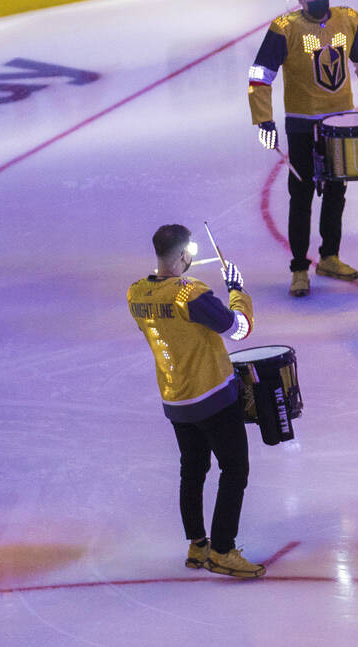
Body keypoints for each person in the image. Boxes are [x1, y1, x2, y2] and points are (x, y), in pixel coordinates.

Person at [126, 225, 264, 578]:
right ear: (185, 255)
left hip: (176, 399)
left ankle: (197, 544)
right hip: (214, 397)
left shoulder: (136, 294)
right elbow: (239, 329)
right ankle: (222, 549)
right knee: (234, 469)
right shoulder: (190, 294)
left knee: (193, 469)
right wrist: (237, 290)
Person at [248, 0, 358, 298]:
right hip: (302, 126)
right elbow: (259, 76)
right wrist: (263, 121)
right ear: (300, 1)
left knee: (336, 192)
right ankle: (299, 269)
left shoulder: (349, 20)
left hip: (339, 123)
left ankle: (330, 257)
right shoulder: (284, 29)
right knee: (302, 194)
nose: (321, 1)